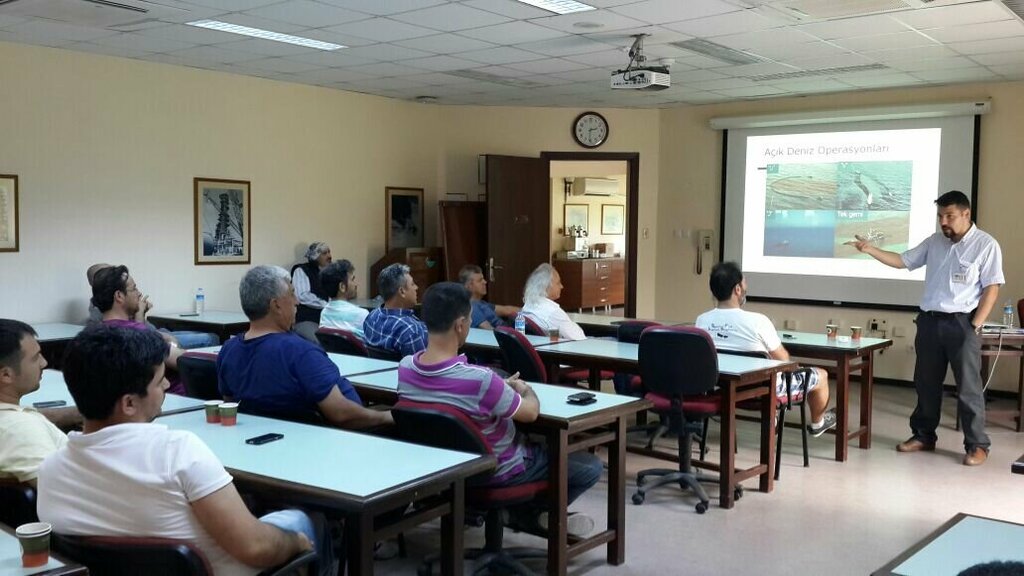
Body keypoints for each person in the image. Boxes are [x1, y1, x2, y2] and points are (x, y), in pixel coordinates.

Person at [36, 325, 335, 576]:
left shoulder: (51, 469)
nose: (167, 383)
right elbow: (255, 548)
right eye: (158, 380)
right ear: (129, 403)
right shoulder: (177, 451)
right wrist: (295, 542)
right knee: (303, 521)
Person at [397, 282, 601, 537]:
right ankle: (526, 514)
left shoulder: (405, 368)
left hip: (447, 469)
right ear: (461, 325)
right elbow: (531, 413)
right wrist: (522, 388)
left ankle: (515, 514)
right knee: (591, 466)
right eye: (470, 320)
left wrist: (497, 389)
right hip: (497, 470)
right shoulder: (480, 380)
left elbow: (449, 396)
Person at [850, 190, 1003, 466]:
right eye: (940, 216)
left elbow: (992, 288)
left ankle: (977, 445)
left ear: (966, 214)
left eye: (950, 216)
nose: (944, 221)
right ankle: (923, 435)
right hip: (930, 321)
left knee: (968, 387)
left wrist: (975, 325)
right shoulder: (934, 242)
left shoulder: (985, 245)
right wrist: (870, 249)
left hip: (962, 323)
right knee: (926, 383)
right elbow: (902, 261)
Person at [218, 265, 391, 430]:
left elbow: (230, 405)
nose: (297, 301)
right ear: (276, 305)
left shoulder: (228, 351)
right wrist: (387, 416)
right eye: (292, 293)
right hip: (334, 440)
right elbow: (342, 415)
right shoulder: (300, 352)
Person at [695, 262, 836, 436]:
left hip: (724, 385)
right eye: (744, 284)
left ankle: (773, 417)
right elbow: (783, 359)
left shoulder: (702, 321)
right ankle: (818, 424)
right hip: (763, 388)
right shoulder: (758, 321)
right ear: (737, 289)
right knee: (821, 375)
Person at [92, 265, 187, 394]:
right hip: (178, 399)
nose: (139, 293)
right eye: (134, 288)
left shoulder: (95, 334)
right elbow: (184, 361)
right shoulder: (137, 334)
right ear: (119, 296)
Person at [85, 263, 219, 350]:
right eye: (134, 289)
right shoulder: (102, 314)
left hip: (157, 333)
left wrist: (141, 312)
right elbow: (139, 338)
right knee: (211, 338)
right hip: (154, 337)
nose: (138, 293)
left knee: (203, 334)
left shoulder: (117, 308)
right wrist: (139, 313)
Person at [0, 320, 67, 487]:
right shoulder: (21, 429)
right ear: (6, 375)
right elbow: (63, 494)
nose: (44, 363)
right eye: (36, 357)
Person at [363, 263, 427, 357]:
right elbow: (420, 369)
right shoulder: (411, 330)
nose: (416, 287)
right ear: (402, 291)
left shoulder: (371, 316)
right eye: (412, 284)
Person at [521, 263, 585, 340]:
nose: (562, 286)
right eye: (558, 283)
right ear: (546, 286)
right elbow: (579, 338)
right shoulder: (552, 312)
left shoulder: (528, 305)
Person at [458, 264, 520, 329]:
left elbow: (507, 310)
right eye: (480, 280)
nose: (485, 282)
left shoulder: (482, 303)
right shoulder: (472, 308)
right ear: (469, 286)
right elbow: (489, 331)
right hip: (505, 335)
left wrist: (528, 311)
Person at [318, 259, 369, 339]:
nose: (355, 284)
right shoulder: (362, 314)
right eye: (352, 280)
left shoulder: (324, 313)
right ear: (342, 287)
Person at [291, 242, 332, 324]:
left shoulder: (329, 273)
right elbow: (302, 296)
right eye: (324, 253)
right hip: (307, 319)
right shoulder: (301, 270)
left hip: (328, 318)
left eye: (329, 252)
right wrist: (327, 305)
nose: (329, 256)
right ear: (315, 257)